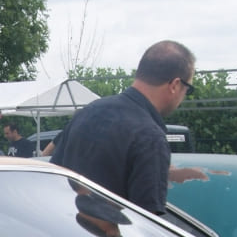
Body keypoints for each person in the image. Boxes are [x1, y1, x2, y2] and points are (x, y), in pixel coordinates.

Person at [51, 40, 207, 215]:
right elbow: (147, 223)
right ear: (175, 85)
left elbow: (53, 180)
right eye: (188, 89)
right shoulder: (150, 138)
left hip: (63, 235)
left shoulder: (87, 112)